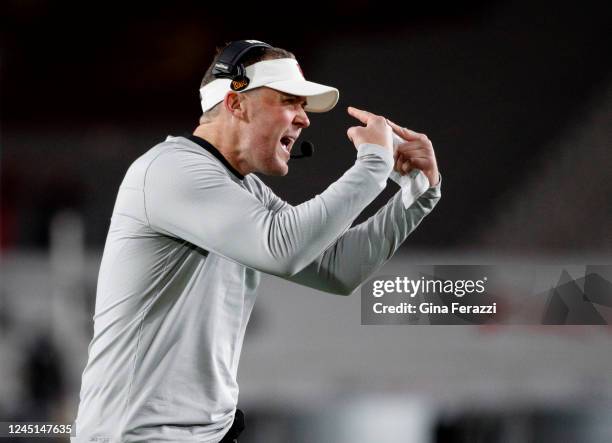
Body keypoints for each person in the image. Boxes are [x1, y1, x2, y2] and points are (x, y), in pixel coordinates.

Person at [72, 40, 441, 443]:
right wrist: (372, 163)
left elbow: (337, 270)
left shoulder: (240, 187)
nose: (304, 119)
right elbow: (282, 249)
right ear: (236, 103)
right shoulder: (169, 169)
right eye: (289, 101)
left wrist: (417, 195)